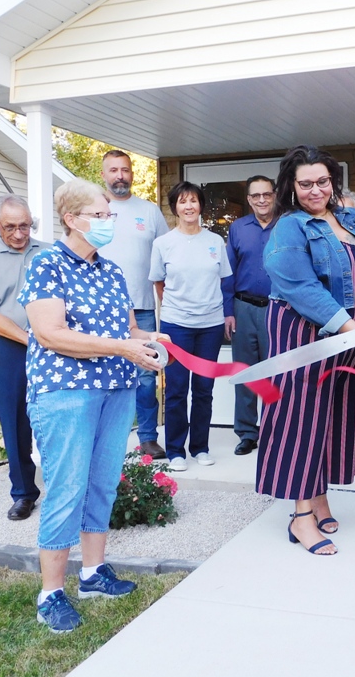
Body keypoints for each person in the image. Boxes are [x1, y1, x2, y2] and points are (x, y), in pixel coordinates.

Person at [20, 178, 168, 633]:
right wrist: (123, 347)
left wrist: (149, 339)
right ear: (72, 219)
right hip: (66, 391)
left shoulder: (112, 271)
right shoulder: (46, 264)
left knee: (102, 483)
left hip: (116, 389)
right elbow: (51, 334)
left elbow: (127, 330)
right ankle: (50, 594)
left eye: (110, 215)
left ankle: (92, 574)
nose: (108, 222)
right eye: (100, 215)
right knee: (67, 487)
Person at [257, 145, 355, 555]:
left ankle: (319, 497)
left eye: (322, 181)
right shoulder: (289, 227)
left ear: (333, 182)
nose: (315, 190)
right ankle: (301, 516)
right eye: (305, 184)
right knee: (303, 419)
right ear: (291, 186)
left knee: (336, 417)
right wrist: (354, 330)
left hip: (350, 332)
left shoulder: (351, 218)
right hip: (305, 332)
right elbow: (300, 287)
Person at [0, 194, 49, 520]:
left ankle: (65, 487)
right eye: (10, 227)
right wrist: (30, 339)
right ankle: (24, 493)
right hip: (9, 348)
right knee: (15, 424)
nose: (19, 234)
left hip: (53, 345)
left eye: (25, 226)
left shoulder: (49, 253)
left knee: (59, 416)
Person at [150, 182, 232, 472]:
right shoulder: (163, 244)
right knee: (175, 389)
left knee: (204, 388)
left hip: (210, 325)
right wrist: (178, 308)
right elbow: (159, 283)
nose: (189, 206)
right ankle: (175, 450)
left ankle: (200, 447)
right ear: (175, 207)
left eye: (194, 201)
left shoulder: (215, 241)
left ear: (201, 206)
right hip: (176, 326)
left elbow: (222, 280)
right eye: (183, 201)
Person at [99, 150, 169, 459]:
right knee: (104, 374)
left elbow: (167, 256)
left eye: (125, 170)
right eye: (113, 170)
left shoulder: (150, 211)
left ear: (132, 173)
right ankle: (106, 438)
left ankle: (148, 438)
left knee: (146, 376)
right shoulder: (95, 211)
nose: (120, 175)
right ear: (103, 174)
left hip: (141, 309)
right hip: (101, 310)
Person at [223, 175, 277, 456]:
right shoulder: (238, 228)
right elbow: (227, 272)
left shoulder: (287, 225)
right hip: (243, 308)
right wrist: (228, 311)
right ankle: (247, 433)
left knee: (275, 372)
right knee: (245, 372)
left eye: (266, 194)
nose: (262, 200)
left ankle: (273, 431)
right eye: (256, 196)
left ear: (274, 195)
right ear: (249, 200)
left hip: (277, 309)